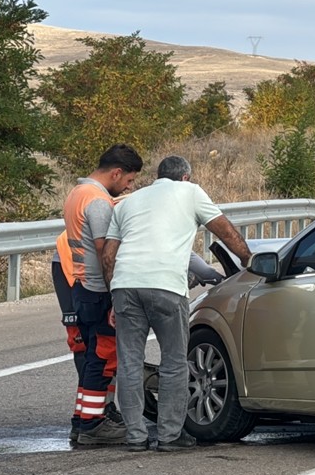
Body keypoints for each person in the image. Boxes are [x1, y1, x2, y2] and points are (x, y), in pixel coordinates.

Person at [103, 155, 253, 452]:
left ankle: (135, 437)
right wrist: (248, 259)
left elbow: (108, 256)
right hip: (166, 286)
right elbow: (224, 230)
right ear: (185, 177)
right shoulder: (190, 192)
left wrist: (113, 296)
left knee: (129, 362)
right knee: (174, 361)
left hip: (125, 286)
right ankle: (170, 435)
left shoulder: (129, 202)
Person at [63, 144, 143, 446]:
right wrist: (115, 293)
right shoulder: (98, 202)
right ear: (117, 172)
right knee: (103, 357)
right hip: (98, 288)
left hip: (81, 285)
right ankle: (93, 425)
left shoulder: (77, 193)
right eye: (129, 180)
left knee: (91, 357)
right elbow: (103, 251)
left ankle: (82, 419)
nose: (129, 187)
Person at [51, 232, 87, 445]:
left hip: (74, 267)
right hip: (71, 270)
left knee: (88, 347)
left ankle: (84, 418)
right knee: (87, 347)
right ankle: (84, 420)